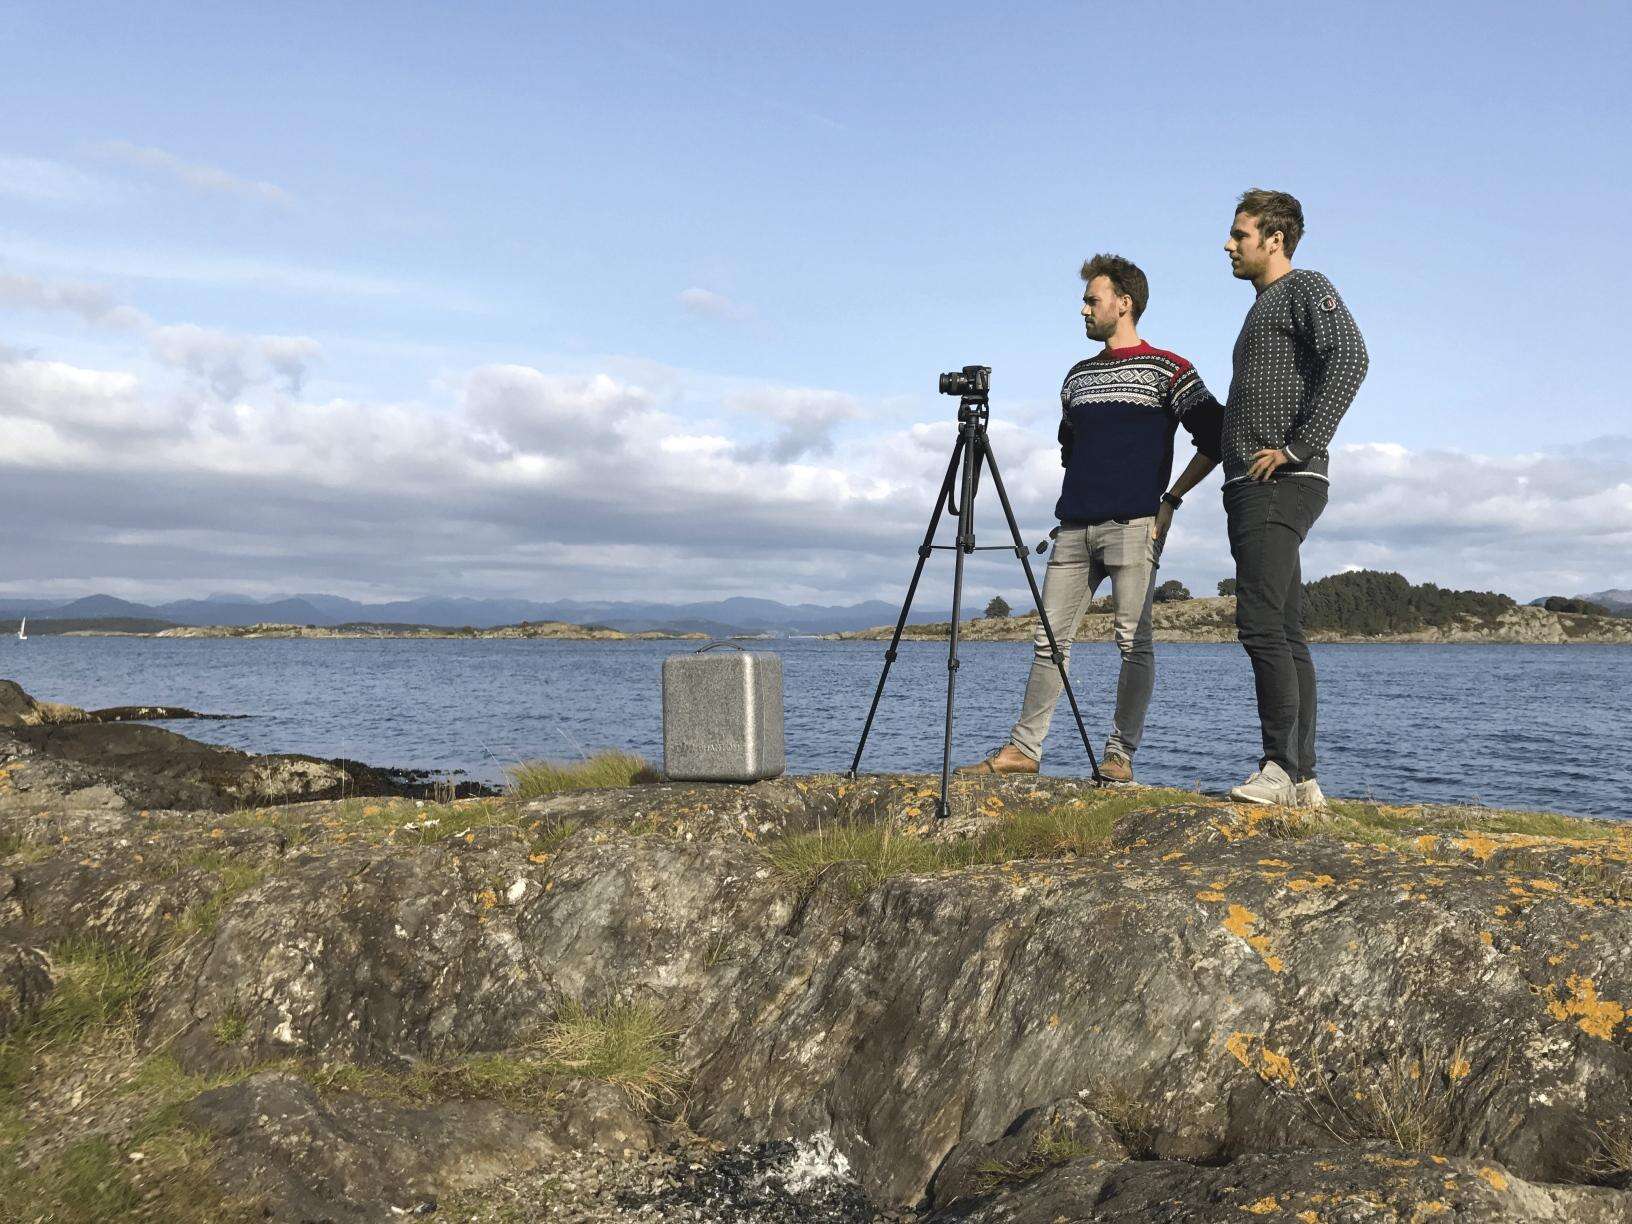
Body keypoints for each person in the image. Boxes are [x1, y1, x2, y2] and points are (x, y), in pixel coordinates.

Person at [959, 254, 1222, 781]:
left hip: (1135, 526)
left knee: (1133, 644)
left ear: (1124, 303)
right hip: (1074, 529)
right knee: (1048, 640)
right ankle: (1024, 750)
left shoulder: (1169, 370)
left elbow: (1216, 437)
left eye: (1091, 300)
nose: (1083, 309)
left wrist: (1171, 500)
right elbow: (1069, 451)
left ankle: (1119, 756)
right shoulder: (1077, 378)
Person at [1219, 189, 1368, 807]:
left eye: (1240, 234)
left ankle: (1278, 768)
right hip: (1255, 485)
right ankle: (1303, 780)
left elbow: (1351, 358)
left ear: (1273, 239)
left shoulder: (1305, 286)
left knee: (1259, 623)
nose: (1229, 245)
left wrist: (1298, 447)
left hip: (1279, 483)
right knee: (1283, 627)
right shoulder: (1261, 308)